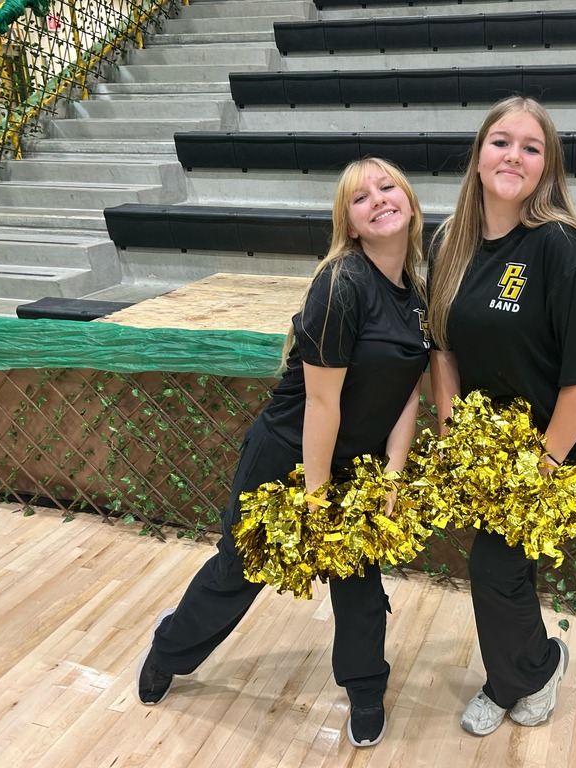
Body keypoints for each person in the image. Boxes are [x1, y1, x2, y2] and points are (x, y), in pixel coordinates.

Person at [136, 157, 430, 749]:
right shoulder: (340, 283)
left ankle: (366, 688)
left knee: (358, 576)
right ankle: (170, 649)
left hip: (357, 465)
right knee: (238, 571)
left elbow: (407, 393)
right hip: (287, 456)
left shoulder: (418, 295)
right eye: (359, 197)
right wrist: (317, 497)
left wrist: (393, 475)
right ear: (348, 224)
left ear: (410, 202)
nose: (377, 199)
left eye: (387, 186)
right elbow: (321, 406)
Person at [426, 96, 576, 736]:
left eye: (531, 147)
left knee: (493, 567)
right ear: (479, 156)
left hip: (554, 446)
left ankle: (530, 672)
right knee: (506, 567)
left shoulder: (561, 248)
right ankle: (525, 666)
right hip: (489, 446)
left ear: (548, 166)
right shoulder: (449, 244)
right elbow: (443, 347)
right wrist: (453, 429)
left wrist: (543, 463)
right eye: (502, 142)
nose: (514, 155)